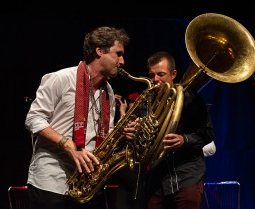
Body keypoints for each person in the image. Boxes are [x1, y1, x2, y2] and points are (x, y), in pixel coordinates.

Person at [25, 26, 137, 209]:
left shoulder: (108, 91)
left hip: (86, 185)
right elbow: (33, 119)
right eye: (118, 54)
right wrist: (69, 145)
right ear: (99, 51)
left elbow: (104, 135)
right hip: (51, 180)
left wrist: (121, 133)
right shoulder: (60, 78)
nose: (122, 61)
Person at [142, 51, 214, 209]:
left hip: (186, 178)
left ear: (173, 74)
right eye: (152, 75)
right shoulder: (146, 103)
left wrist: (184, 139)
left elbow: (207, 134)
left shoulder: (191, 99)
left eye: (161, 74)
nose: (156, 80)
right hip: (156, 183)